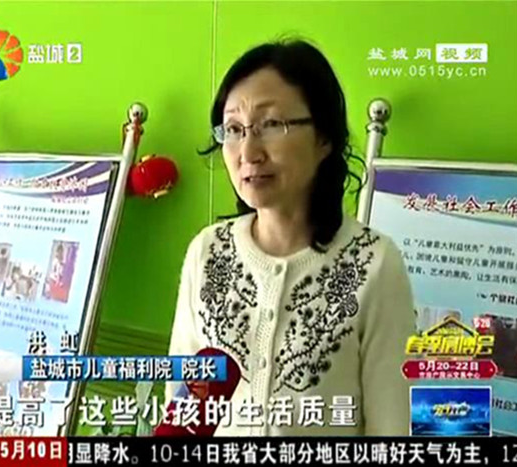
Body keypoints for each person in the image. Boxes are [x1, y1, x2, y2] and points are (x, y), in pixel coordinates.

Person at [165, 39, 416, 436]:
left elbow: (393, 429)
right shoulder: (208, 252)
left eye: (271, 125)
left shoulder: (375, 263)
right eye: (233, 129)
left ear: (323, 138)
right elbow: (182, 416)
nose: (248, 151)